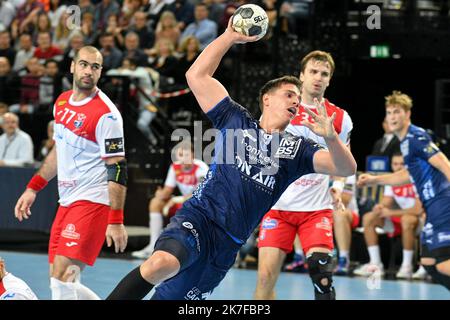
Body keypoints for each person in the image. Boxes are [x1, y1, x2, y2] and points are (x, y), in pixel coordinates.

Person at [106, 19, 356, 300]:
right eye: (289, 94)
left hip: (229, 244)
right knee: (162, 263)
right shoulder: (236, 119)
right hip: (199, 218)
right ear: (267, 99)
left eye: (298, 97)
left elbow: (346, 167)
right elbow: (197, 76)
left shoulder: (297, 150)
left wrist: (332, 137)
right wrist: (228, 37)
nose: (296, 101)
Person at [14, 46, 128, 300]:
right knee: (59, 278)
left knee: (64, 276)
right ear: (73, 67)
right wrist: (34, 187)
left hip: (92, 201)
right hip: (66, 200)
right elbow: (59, 149)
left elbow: (117, 166)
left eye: (95, 67)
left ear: (100, 72)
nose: (89, 71)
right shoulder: (62, 101)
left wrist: (116, 220)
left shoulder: (107, 115)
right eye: (84, 64)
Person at [254, 50, 353, 300]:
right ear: (302, 76)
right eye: (313, 72)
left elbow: (345, 163)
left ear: (329, 80)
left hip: (316, 209)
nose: (318, 78)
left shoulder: (339, 118)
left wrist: (338, 188)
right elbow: (261, 156)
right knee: (265, 279)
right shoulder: (280, 110)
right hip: (278, 207)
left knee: (322, 275)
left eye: (324, 74)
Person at [358, 90, 450, 290]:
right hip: (432, 207)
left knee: (442, 263)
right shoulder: (406, 142)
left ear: (407, 114)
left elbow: (444, 164)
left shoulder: (416, 136)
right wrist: (374, 180)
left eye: (397, 111)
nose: (392, 116)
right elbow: (407, 175)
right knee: (428, 263)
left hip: (442, 203)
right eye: (389, 112)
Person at [132, 141, 209, 259]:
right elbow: (167, 191)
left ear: (193, 156)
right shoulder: (175, 167)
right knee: (155, 202)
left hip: (199, 206)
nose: (183, 159)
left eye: (186, 155)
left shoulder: (201, 168)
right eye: (180, 155)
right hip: (182, 203)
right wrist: (161, 195)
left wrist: (176, 200)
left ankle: (187, 250)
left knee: (189, 207)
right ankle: (152, 245)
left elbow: (200, 194)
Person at [354, 153, 423, 279]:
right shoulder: (392, 180)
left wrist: (390, 212)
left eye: (402, 164)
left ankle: (407, 266)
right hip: (399, 219)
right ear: (391, 165)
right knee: (368, 218)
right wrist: (380, 207)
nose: (399, 167)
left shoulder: (416, 179)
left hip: (419, 220)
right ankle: (376, 264)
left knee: (407, 220)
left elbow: (417, 209)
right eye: (395, 164)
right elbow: (387, 201)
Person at [332, 174, 360, 276]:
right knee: (298, 210)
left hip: (348, 212)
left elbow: (345, 200)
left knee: (339, 213)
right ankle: (300, 258)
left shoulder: (348, 172)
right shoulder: (315, 169)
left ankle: (344, 259)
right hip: (321, 212)